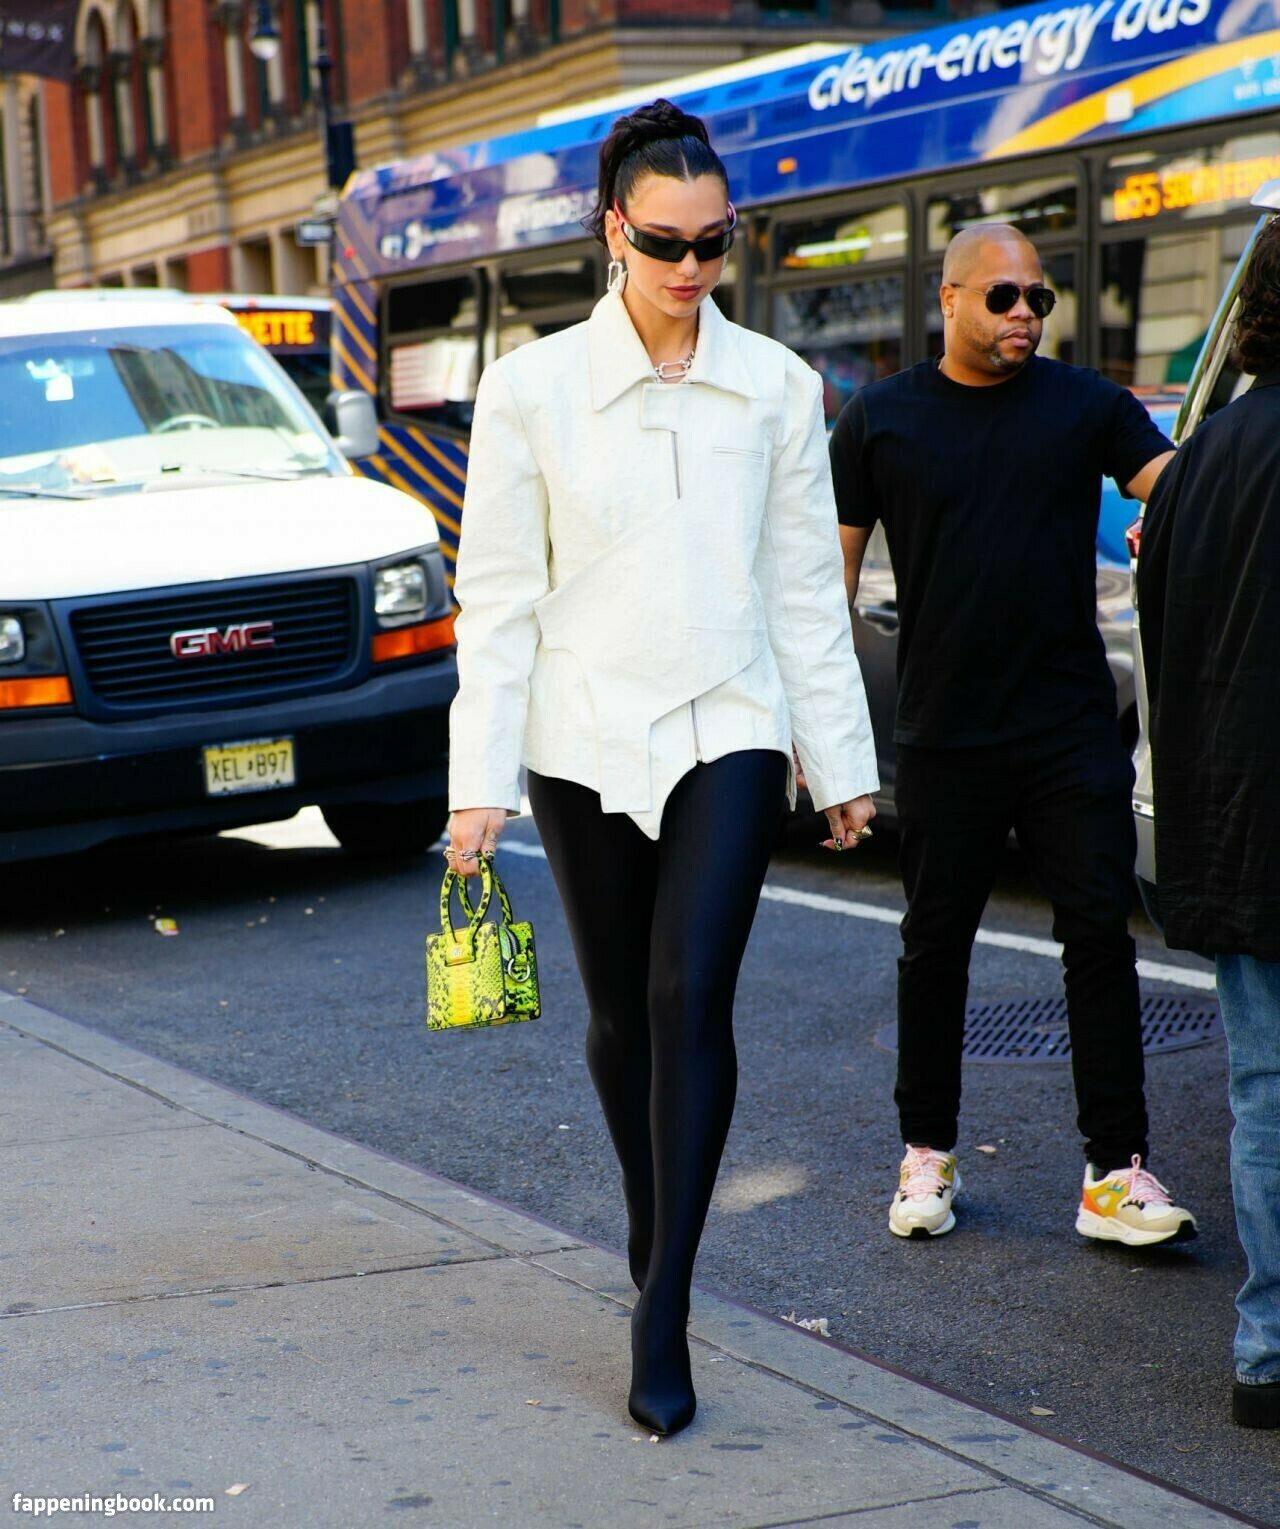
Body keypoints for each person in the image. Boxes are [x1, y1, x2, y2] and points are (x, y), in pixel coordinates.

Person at [445, 100, 879, 1437]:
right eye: (665, 243)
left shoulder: (777, 387)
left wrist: (838, 757)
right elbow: (498, 596)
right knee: (622, 1016)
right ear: (611, 231)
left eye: (713, 241)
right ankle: (653, 1236)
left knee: (690, 992)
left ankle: (664, 1301)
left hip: (729, 720)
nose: (692, 268)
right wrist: (477, 781)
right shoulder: (528, 390)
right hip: (579, 734)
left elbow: (803, 586)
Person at [830, 223, 1197, 1247]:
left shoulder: (1084, 405)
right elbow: (828, 587)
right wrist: (824, 742)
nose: (1025, 312)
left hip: (1067, 728)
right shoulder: (879, 418)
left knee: (1100, 938)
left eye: (1038, 296)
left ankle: (1114, 1171)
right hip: (943, 733)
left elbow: (1180, 482)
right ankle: (926, 1151)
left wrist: (1173, 511)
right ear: (948, 299)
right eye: (1002, 296)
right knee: (932, 946)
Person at [1136, 216, 1280, 1429]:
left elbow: (1165, 650)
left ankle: (1266, 1347)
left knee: (1263, 1091)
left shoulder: (1200, 460)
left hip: (1238, 827)